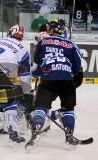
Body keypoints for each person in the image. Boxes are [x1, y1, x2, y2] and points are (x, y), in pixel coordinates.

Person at [30, 18, 82, 146]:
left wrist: (36, 74)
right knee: (68, 109)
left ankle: (36, 129)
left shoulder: (43, 41)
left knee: (40, 107)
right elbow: (78, 66)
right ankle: (69, 136)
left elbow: (36, 65)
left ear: (51, 29)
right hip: (67, 80)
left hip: (48, 79)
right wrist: (68, 72)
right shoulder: (71, 44)